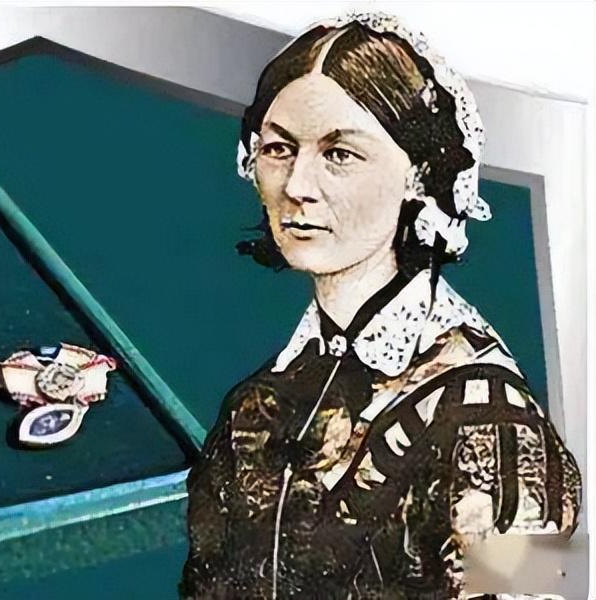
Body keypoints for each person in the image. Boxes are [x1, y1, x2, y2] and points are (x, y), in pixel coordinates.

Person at [179, 11, 581, 600]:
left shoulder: (492, 416)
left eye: (340, 153)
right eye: (279, 149)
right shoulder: (257, 400)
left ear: (419, 173)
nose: (297, 186)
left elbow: (540, 586)